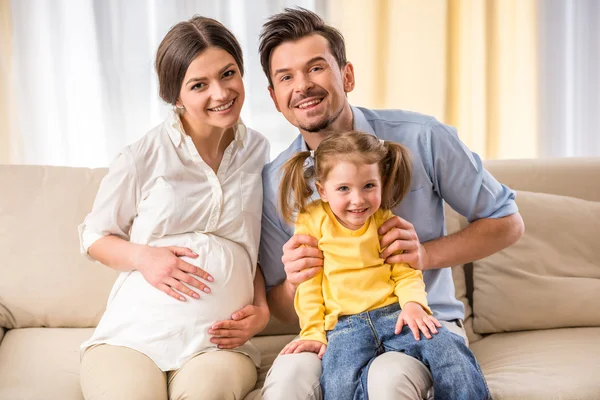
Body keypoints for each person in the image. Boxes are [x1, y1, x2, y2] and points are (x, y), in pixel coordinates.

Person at [257, 8, 523, 399]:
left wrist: (423, 256)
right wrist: (295, 281)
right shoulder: (276, 182)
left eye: (316, 68)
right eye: (286, 77)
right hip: (336, 329)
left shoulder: (424, 138)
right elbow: (280, 306)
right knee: (287, 381)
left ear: (347, 75)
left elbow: (508, 223)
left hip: (419, 318)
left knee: (388, 378)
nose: (303, 86)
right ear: (275, 97)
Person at [78, 16, 270, 400]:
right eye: (199, 85)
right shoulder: (143, 156)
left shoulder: (258, 152)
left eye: (228, 74)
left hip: (217, 342)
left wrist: (262, 309)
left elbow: (254, 246)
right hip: (133, 335)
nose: (221, 93)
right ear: (176, 96)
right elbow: (93, 235)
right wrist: (144, 257)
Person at [276, 131, 490, 400]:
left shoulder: (385, 220)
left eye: (369, 186)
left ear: (382, 183)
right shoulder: (311, 221)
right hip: (344, 326)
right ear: (322, 190)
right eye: (344, 188)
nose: (358, 200)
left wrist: (413, 305)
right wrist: (313, 332)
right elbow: (310, 284)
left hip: (395, 315)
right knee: (339, 383)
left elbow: (406, 270)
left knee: (448, 347)